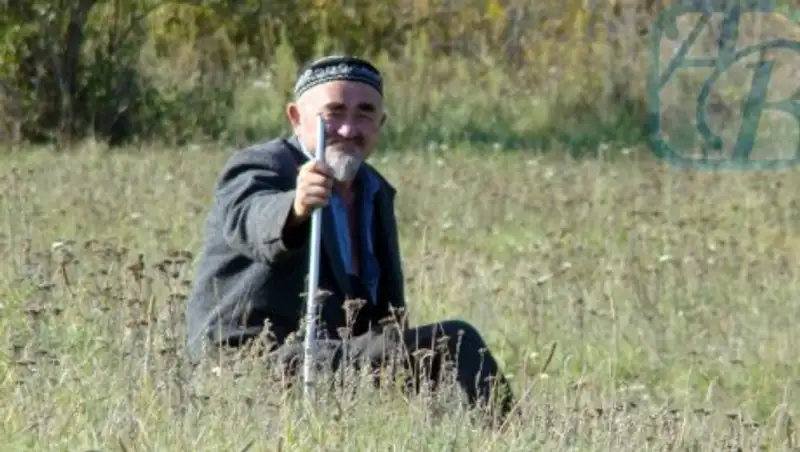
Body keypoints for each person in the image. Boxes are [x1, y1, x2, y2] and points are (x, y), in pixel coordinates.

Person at [185, 55, 517, 425]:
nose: (348, 128)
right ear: (296, 117)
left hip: (333, 356)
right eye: (334, 112)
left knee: (429, 354)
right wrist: (295, 207)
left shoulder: (373, 191)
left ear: (381, 122)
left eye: (364, 113)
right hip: (251, 362)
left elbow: (385, 318)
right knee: (455, 341)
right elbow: (249, 220)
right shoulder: (261, 167)